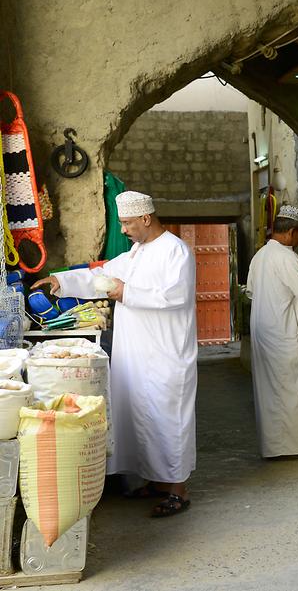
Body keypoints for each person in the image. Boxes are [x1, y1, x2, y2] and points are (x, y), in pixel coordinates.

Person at [33, 190, 197, 517]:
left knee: (168, 420)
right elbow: (100, 275)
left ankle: (177, 489)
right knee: (141, 417)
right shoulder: (135, 252)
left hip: (166, 354)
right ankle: (155, 481)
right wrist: (59, 281)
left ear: (145, 218)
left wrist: (126, 291)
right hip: (136, 353)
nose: (123, 230)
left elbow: (175, 295)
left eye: (127, 223)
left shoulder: (176, 251)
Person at [247, 204, 298, 459]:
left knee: (272, 394)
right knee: (296, 390)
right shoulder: (287, 256)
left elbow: (251, 291)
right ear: (292, 232)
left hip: (266, 333)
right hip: (285, 334)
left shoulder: (261, 255)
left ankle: (275, 447)